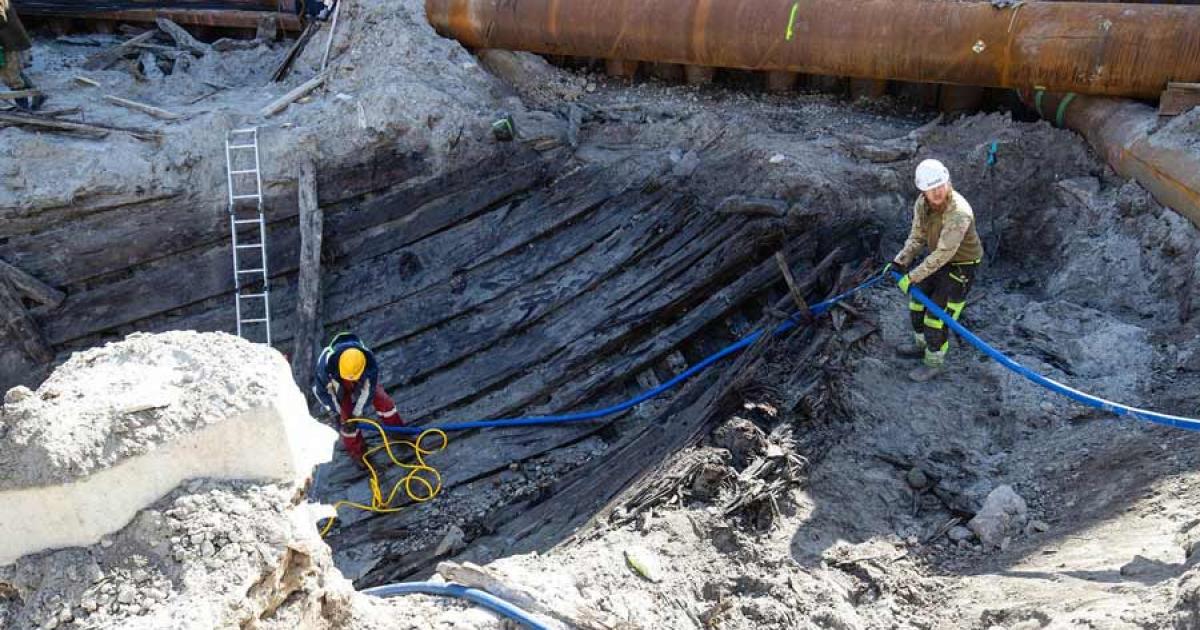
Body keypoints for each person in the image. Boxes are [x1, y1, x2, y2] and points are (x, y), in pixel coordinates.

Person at [889, 159, 984, 382]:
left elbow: (943, 253)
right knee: (917, 302)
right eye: (931, 189)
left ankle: (933, 362)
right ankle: (922, 346)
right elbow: (917, 236)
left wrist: (912, 276)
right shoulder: (922, 204)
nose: (937, 192)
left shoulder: (959, 213)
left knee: (936, 317)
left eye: (940, 186)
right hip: (938, 260)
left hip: (962, 266)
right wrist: (901, 261)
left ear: (947, 182)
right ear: (923, 190)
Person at [312, 332, 406, 466]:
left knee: (383, 400)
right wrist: (338, 412)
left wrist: (357, 413)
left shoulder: (368, 364)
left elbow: (368, 391)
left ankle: (399, 432)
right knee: (346, 422)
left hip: (360, 377)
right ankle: (358, 452)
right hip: (337, 384)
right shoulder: (325, 367)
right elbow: (320, 392)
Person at [0, 0, 43, 111]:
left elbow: (2, 19)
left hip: (9, 41)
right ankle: (38, 95)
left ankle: (23, 107)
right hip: (7, 40)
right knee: (14, 71)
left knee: (11, 76)